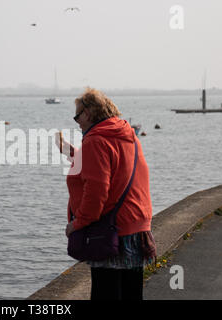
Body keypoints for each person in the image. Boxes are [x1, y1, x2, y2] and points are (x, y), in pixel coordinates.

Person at [56, 88, 156, 300]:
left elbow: (96, 192)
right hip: (137, 230)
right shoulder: (127, 136)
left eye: (78, 115)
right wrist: (71, 152)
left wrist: (77, 224)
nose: (77, 121)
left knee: (105, 294)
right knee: (131, 295)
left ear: (89, 113)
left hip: (112, 231)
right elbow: (114, 167)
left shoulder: (95, 140)